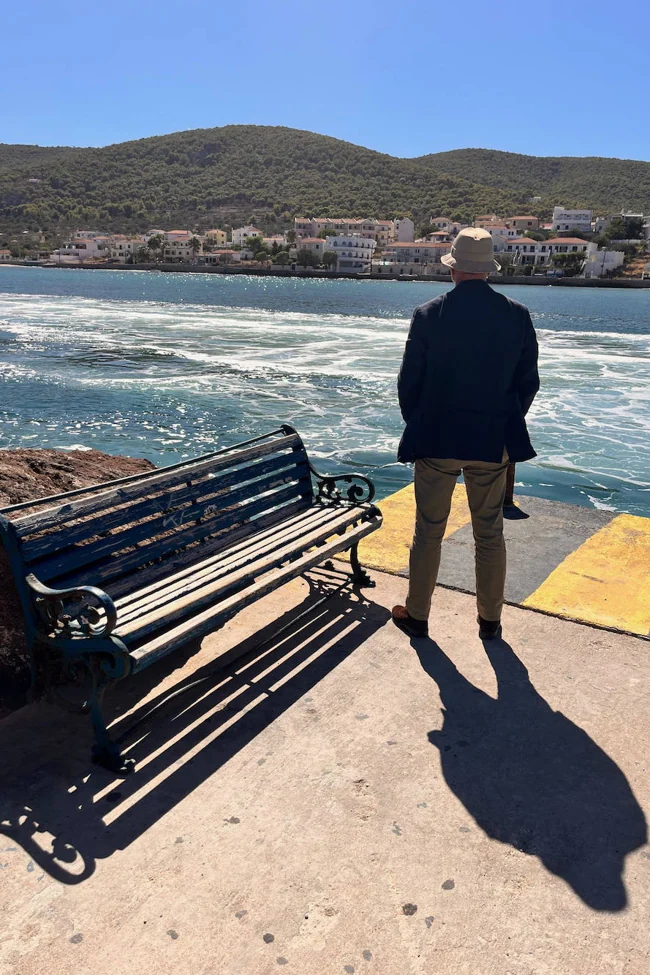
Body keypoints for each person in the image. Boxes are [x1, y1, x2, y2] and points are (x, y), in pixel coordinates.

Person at [391, 227, 540, 641]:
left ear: (453, 268)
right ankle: (489, 622)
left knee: (429, 530)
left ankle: (417, 615)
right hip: (492, 441)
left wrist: (419, 423)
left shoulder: (428, 314)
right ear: (488, 269)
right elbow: (528, 383)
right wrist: (504, 419)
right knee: (489, 532)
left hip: (437, 437)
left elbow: (409, 384)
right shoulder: (517, 314)